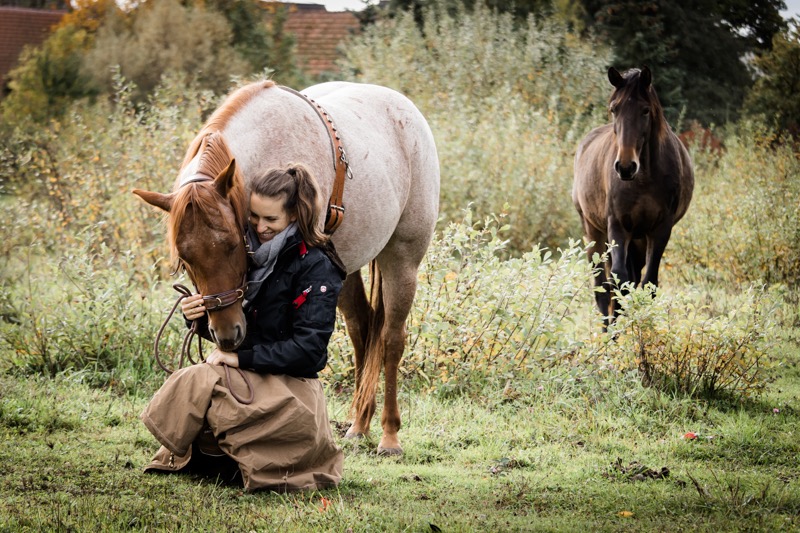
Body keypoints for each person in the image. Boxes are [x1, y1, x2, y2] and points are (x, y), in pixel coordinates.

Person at [140, 164, 345, 492]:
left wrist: (240, 359)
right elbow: (241, 334)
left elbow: (309, 352)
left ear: (294, 215)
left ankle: (222, 454)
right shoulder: (251, 257)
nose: (260, 227)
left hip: (293, 386)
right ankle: (220, 454)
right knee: (204, 377)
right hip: (257, 376)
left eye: (271, 220)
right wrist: (196, 317)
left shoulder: (317, 266)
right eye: (253, 217)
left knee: (202, 378)